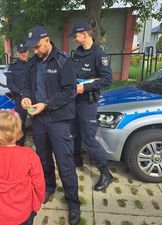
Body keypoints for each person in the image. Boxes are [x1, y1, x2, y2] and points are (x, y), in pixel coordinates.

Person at [21, 25, 81, 225]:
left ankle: (73, 202)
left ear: (47, 40)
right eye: (33, 48)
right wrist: (26, 98)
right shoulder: (32, 63)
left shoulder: (64, 61)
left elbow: (69, 92)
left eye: (37, 47)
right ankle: (49, 188)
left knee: (65, 162)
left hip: (58, 120)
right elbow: (27, 87)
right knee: (43, 158)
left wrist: (46, 104)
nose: (35, 51)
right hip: (38, 120)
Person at [0, 110, 45, 225]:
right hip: (22, 210)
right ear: (17, 130)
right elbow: (39, 183)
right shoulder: (28, 155)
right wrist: (40, 200)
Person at [71, 21, 113, 191]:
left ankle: (106, 173)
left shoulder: (99, 55)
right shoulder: (78, 53)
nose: (74, 38)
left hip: (88, 101)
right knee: (74, 132)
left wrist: (85, 87)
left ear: (85, 34)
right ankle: (77, 159)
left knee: (88, 138)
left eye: (76, 35)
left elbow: (107, 79)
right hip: (74, 99)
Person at [5, 43, 29, 146]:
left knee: (37, 123)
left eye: (25, 51)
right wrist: (21, 93)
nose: (23, 54)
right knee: (20, 123)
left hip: (34, 98)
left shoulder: (34, 63)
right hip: (20, 99)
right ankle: (20, 145)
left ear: (28, 51)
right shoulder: (13, 66)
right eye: (21, 52)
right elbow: (10, 83)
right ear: (17, 53)